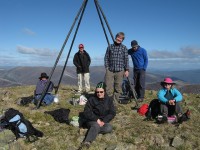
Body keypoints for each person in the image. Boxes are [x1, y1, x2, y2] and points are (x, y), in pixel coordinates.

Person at [81, 82, 116, 148]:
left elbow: (112, 112)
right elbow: (86, 112)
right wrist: (96, 119)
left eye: (101, 92)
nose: (99, 94)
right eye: (97, 92)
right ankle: (87, 142)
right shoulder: (92, 99)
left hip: (103, 121)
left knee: (109, 128)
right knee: (96, 125)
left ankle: (92, 131)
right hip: (92, 120)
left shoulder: (109, 100)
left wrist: (104, 121)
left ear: (104, 91)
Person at [104, 32, 129, 103]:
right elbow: (106, 57)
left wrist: (127, 70)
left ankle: (114, 103)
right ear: (116, 37)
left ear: (122, 40)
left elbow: (126, 59)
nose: (119, 39)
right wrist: (107, 67)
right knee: (108, 87)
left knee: (118, 88)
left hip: (120, 71)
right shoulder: (110, 47)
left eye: (121, 38)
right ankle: (108, 102)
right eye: (118, 37)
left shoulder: (124, 48)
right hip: (110, 70)